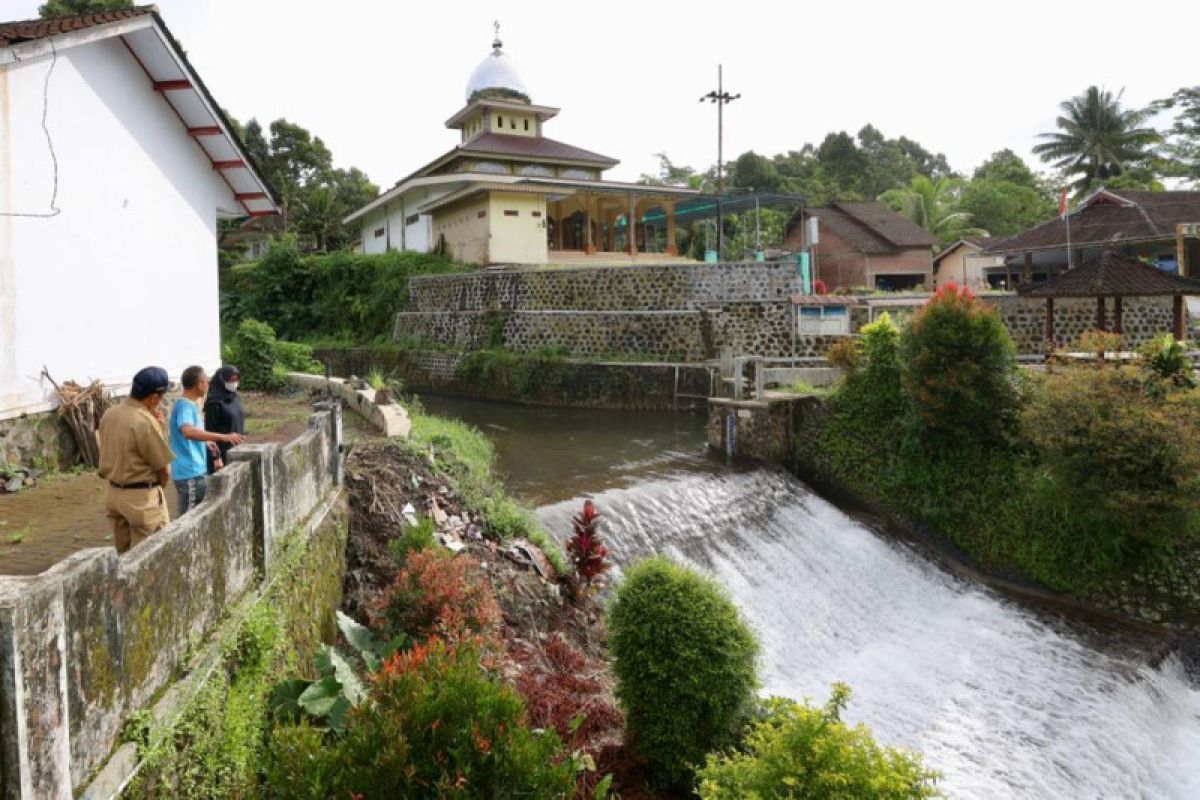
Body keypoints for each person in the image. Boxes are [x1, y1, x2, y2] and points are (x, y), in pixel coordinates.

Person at [97, 366, 176, 554]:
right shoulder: (144, 421)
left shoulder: (110, 413)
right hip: (141, 498)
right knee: (152, 555)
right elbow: (164, 469)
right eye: (162, 395)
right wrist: (160, 486)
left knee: (122, 555)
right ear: (154, 397)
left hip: (114, 493)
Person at [169, 366, 244, 514]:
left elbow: (196, 434)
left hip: (195, 471)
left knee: (197, 515)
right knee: (188, 519)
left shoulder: (189, 406)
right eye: (206, 381)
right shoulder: (185, 406)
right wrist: (223, 436)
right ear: (199, 383)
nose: (208, 384)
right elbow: (188, 431)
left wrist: (210, 446)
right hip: (189, 472)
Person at [203, 365, 245, 471]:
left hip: (237, 449)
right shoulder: (214, 403)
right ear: (222, 380)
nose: (234, 383)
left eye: (236, 379)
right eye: (231, 380)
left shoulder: (235, 397)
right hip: (222, 453)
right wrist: (216, 457)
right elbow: (209, 434)